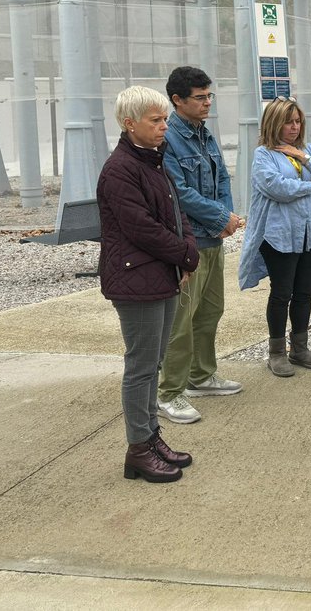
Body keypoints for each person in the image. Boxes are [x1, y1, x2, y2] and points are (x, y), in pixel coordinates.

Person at [97, 86, 199, 483]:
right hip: (136, 279)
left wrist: (187, 249)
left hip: (159, 274)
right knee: (140, 366)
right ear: (130, 124)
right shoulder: (120, 169)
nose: (163, 126)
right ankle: (138, 448)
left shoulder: (153, 162)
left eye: (164, 120)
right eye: (155, 120)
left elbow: (175, 212)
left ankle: (151, 437)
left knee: (153, 362)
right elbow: (141, 228)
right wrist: (186, 255)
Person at [158, 66, 243, 426]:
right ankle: (169, 393)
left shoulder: (204, 134)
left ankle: (201, 376)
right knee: (181, 320)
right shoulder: (169, 139)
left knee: (210, 311)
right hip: (188, 241)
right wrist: (219, 219)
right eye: (200, 97)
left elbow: (221, 176)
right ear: (177, 100)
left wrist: (224, 217)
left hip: (212, 237)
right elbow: (179, 192)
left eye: (210, 96)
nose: (208, 103)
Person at [239, 97, 311, 377]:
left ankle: (300, 348)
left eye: (297, 122)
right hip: (280, 235)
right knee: (282, 293)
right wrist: (310, 185)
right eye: (288, 122)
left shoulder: (308, 150)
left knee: (305, 291)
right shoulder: (263, 155)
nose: (294, 127)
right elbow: (276, 187)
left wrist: (302, 157)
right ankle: (276, 352)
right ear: (274, 123)